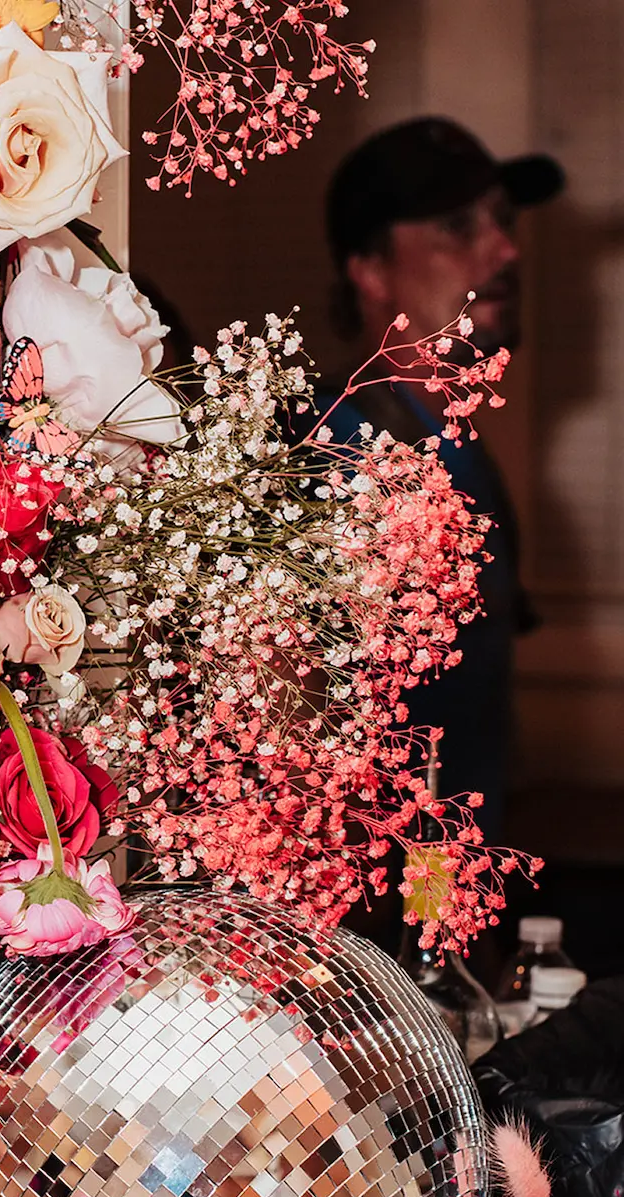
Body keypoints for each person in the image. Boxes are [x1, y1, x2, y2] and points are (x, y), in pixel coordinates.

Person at [312, 117, 564, 840]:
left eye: (503, 220)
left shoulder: (455, 449)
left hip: (444, 906)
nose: (505, 249)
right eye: (456, 226)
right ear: (367, 267)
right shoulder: (336, 459)